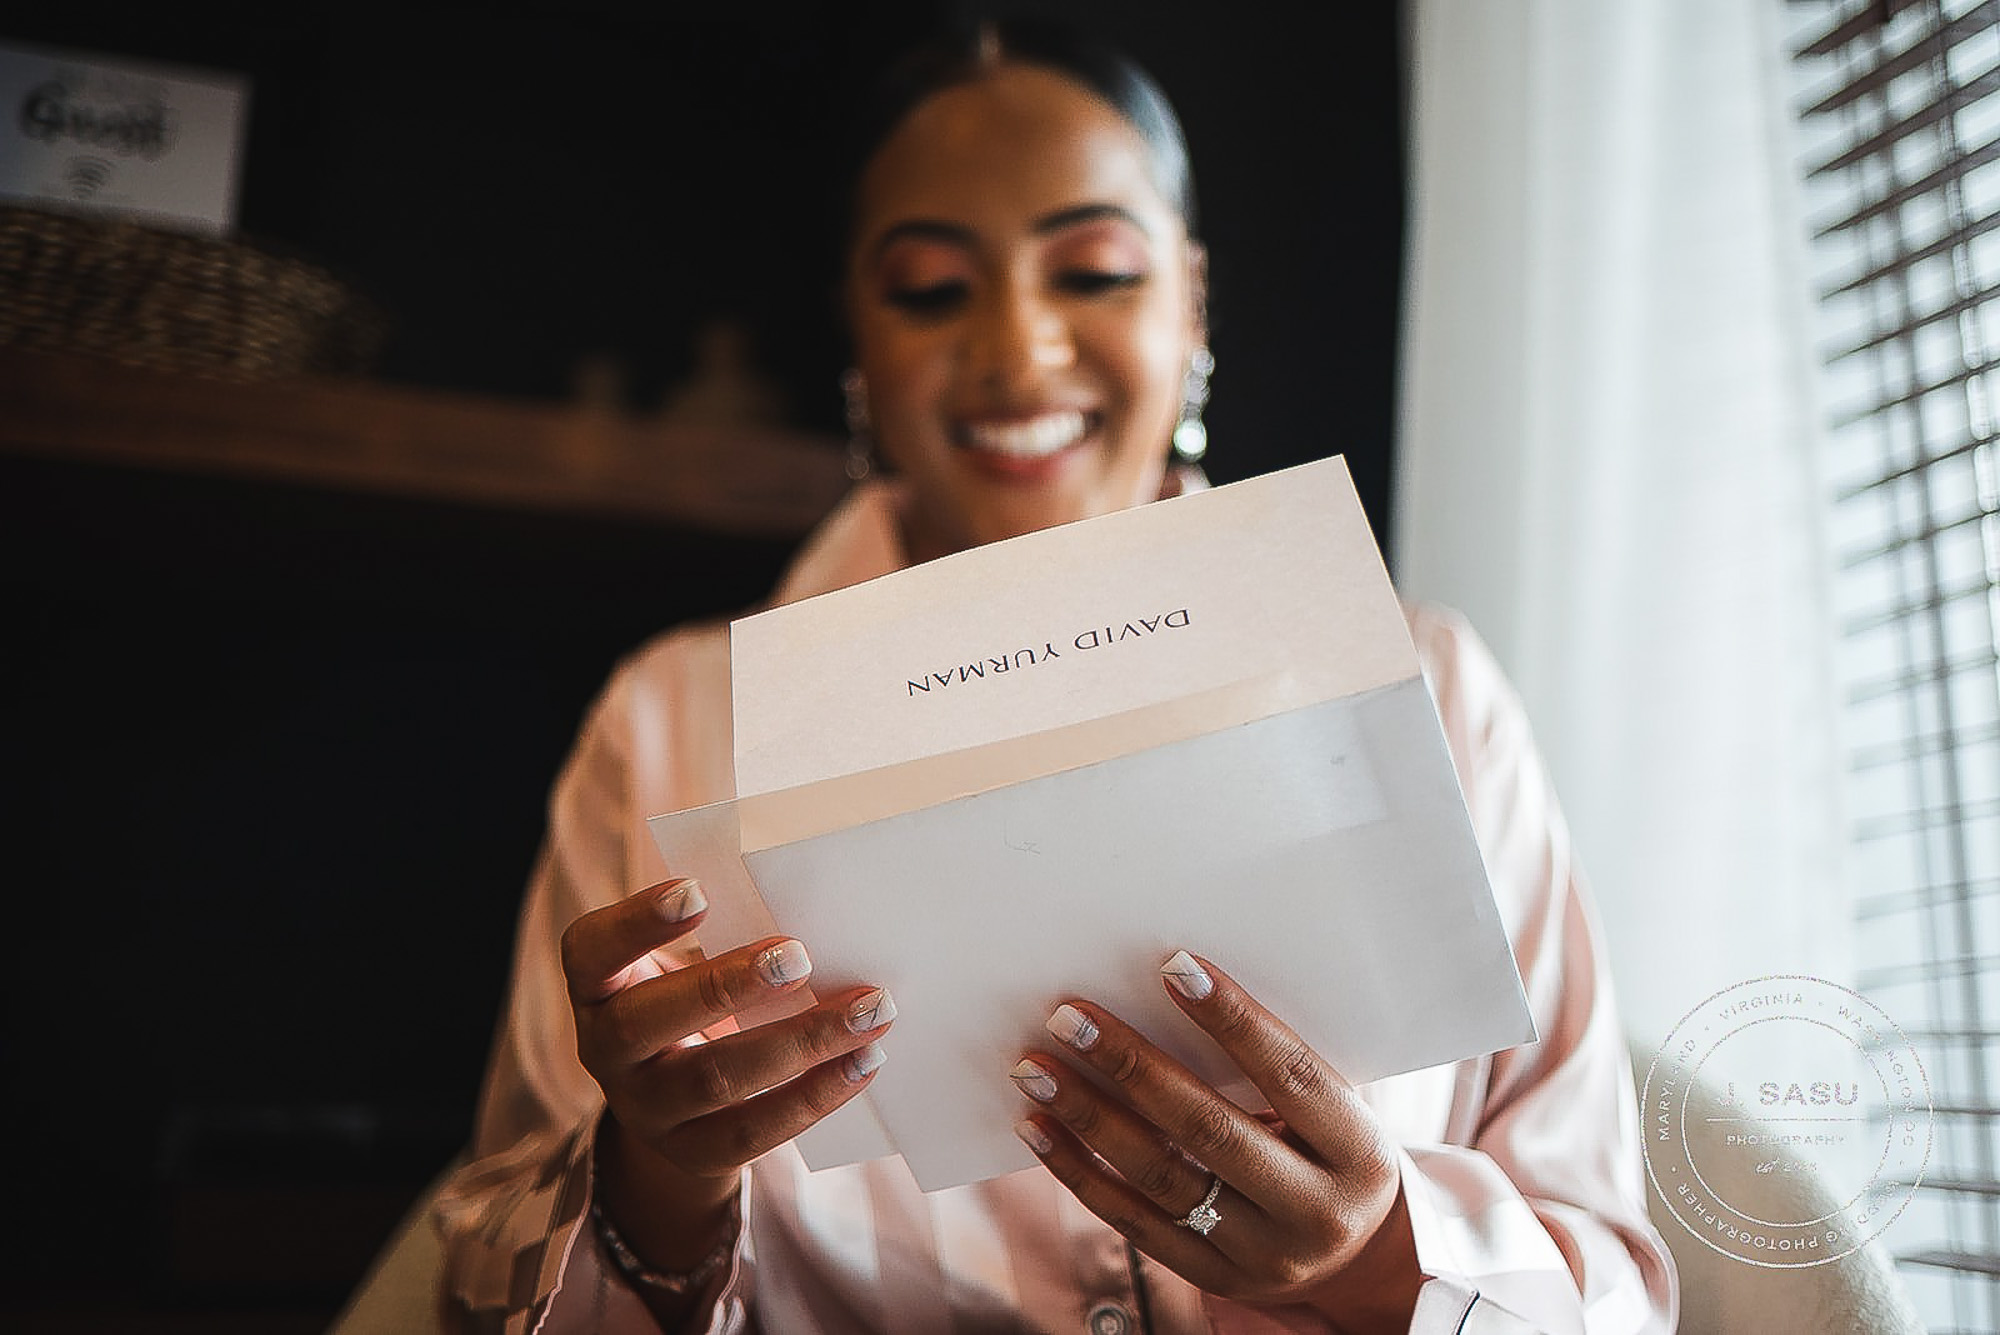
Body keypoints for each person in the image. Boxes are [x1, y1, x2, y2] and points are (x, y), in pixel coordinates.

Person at [434, 21, 1678, 1334]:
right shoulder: (665, 726)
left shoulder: (1424, 685)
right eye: (928, 288)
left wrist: (1373, 1260)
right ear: (858, 328)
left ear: (1191, 297)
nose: (1019, 351)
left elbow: (1613, 1280)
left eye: (1092, 269)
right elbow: (475, 1283)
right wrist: (655, 1185)